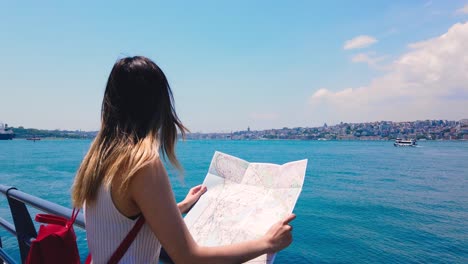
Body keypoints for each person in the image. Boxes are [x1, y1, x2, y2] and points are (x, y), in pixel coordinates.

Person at [71, 56, 295, 263]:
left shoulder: (98, 158)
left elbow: (122, 220)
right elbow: (189, 258)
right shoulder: (141, 165)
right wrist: (268, 243)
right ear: (158, 106)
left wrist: (183, 206)